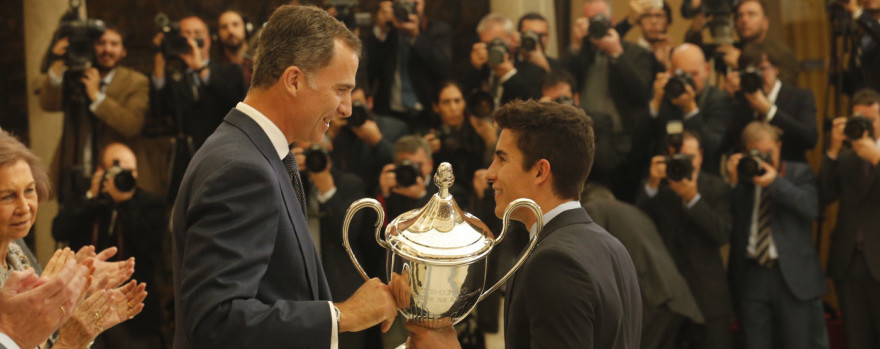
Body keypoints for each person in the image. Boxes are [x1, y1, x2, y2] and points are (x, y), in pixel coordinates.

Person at [170, 6, 397, 348]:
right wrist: (343, 316)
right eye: (340, 89)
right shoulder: (241, 169)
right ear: (293, 80)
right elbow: (215, 321)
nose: (347, 108)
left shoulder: (253, 151)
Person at [407, 100, 642, 348]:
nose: (490, 173)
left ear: (540, 171)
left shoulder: (553, 262)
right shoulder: (614, 248)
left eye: (502, 159)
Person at [0, 130, 147, 349]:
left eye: (30, 191)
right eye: (7, 197)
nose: (24, 207)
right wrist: (69, 342)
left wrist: (74, 293)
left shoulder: (16, 252)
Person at [52, 142, 166, 349]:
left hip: (136, 313)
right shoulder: (87, 198)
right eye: (119, 171)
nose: (126, 176)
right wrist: (91, 198)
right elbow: (59, 230)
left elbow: (152, 247)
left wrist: (126, 204)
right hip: (86, 308)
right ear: (100, 172)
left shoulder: (150, 203)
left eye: (131, 171)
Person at [727, 121, 828, 348]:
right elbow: (729, 223)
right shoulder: (744, 180)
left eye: (767, 153)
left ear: (779, 147)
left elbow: (810, 209)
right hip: (752, 274)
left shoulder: (797, 172)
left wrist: (775, 182)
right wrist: (734, 183)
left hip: (791, 277)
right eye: (756, 153)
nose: (762, 158)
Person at [636, 130, 733, 349]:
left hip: (709, 297)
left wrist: (693, 199)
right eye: (679, 157)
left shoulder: (717, 187)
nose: (685, 163)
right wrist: (651, 185)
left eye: (691, 157)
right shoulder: (657, 186)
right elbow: (637, 227)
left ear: (701, 156)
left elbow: (721, 234)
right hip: (669, 298)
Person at [37, 26, 158, 200]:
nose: (107, 49)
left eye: (114, 44)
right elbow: (48, 104)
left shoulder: (136, 81)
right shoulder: (76, 76)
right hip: (76, 170)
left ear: (123, 51)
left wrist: (96, 97)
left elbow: (132, 125)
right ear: (91, 47)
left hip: (117, 172)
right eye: (101, 43)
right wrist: (57, 63)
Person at [583, 183, 704, 349]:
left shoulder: (593, 208)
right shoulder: (635, 211)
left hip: (652, 297)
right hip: (677, 297)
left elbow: (593, 257)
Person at [565, 0, 654, 201]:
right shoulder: (583, 54)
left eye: (600, 20)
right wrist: (577, 46)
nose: (595, 24)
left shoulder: (635, 53)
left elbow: (640, 92)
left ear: (612, 22)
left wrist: (616, 54)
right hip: (583, 140)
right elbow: (564, 82)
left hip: (622, 144)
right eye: (589, 20)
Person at [819, 88, 880, 349]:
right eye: (860, 120)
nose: (866, 127)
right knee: (857, 339)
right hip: (849, 261)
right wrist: (832, 150)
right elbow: (822, 196)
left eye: (872, 120)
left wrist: (877, 159)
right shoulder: (844, 158)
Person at [722, 42, 818, 163]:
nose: (760, 76)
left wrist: (770, 111)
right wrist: (726, 99)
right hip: (749, 174)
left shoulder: (800, 96)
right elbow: (724, 146)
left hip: (789, 173)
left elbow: (810, 139)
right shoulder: (741, 101)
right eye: (752, 71)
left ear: (775, 69)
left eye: (763, 69)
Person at [649, 43, 737, 175]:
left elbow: (711, 148)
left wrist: (690, 108)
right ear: (671, 72)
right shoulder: (663, 96)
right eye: (683, 74)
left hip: (703, 179)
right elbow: (643, 142)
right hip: (663, 176)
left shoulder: (719, 100)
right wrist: (656, 102)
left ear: (707, 70)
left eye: (694, 74)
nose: (689, 80)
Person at [365, 0, 452, 129]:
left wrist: (416, 37)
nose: (409, 10)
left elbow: (444, 69)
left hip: (426, 114)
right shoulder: (389, 31)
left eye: (415, 4)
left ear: (424, 4)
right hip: (389, 114)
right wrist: (380, 31)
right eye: (404, 4)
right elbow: (369, 70)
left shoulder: (438, 30)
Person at [462, 13, 546, 106]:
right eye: (488, 44)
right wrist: (475, 69)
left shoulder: (532, 71)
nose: (493, 49)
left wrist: (509, 76)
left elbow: (532, 106)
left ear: (512, 40)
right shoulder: (481, 70)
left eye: (497, 42)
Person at [715, 0, 799, 86]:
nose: (744, 19)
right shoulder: (731, 50)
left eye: (751, 14)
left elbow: (784, 91)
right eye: (740, 15)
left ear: (766, 23)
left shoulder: (782, 54)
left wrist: (742, 63)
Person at [217, 10, 254, 86]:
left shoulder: (260, 60)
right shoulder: (216, 69)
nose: (230, 31)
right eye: (224, 27)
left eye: (235, 24)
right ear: (218, 33)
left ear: (245, 27)